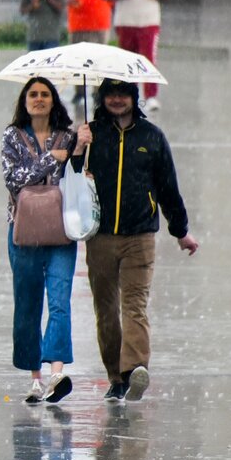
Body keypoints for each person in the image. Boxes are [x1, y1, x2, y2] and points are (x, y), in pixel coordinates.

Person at [72, 79, 199, 402]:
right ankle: (115, 377)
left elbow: (168, 188)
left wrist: (181, 232)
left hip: (140, 236)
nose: (116, 99)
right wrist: (77, 148)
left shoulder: (152, 137)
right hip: (99, 236)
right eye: (110, 94)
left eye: (123, 93)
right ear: (102, 98)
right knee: (106, 310)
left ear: (133, 97)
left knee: (135, 305)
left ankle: (134, 371)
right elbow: (69, 179)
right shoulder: (91, 133)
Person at [1, 77, 81, 404]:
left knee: (60, 301)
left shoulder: (70, 136)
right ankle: (35, 378)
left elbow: (81, 178)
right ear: (24, 100)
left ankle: (56, 373)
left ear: (53, 100)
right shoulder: (12, 137)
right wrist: (55, 158)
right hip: (24, 230)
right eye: (33, 94)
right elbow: (14, 179)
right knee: (29, 302)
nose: (39, 99)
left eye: (45, 94)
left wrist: (79, 151)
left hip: (62, 230)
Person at [104, 0, 168, 111]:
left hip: (149, 21)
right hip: (126, 21)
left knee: (148, 59)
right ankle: (129, 94)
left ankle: (151, 96)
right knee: (127, 61)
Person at [59, 0, 114, 102]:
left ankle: (97, 91)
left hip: (100, 23)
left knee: (98, 60)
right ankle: (79, 91)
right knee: (77, 60)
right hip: (78, 23)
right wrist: (69, 0)